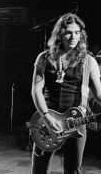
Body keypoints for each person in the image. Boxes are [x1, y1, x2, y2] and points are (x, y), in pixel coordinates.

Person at [31, 13, 101, 174]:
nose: (73, 37)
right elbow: (36, 90)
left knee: (73, 170)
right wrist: (47, 117)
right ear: (59, 34)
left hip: (77, 120)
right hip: (47, 120)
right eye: (68, 32)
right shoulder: (44, 58)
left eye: (77, 33)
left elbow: (98, 93)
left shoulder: (89, 61)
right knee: (38, 170)